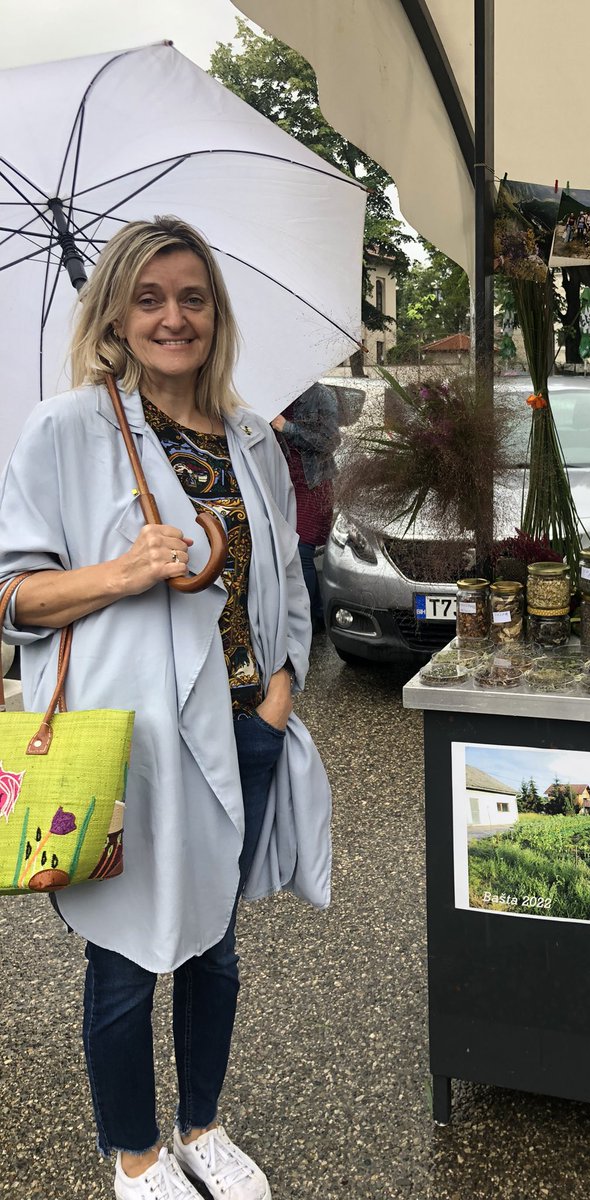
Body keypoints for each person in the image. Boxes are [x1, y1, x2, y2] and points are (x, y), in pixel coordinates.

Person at [0, 216, 331, 1200]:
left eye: (192, 297)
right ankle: (134, 1152)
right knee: (127, 954)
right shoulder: (66, 432)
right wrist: (115, 572)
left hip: (244, 727)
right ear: (115, 314)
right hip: (133, 741)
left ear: (215, 315)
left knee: (214, 951)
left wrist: (279, 694)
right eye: (148, 298)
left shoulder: (251, 439)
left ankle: (201, 1127)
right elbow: (14, 596)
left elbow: (291, 580)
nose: (172, 317)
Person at [271, 383, 341, 631]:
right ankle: (319, 614)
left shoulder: (320, 395)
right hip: (279, 484)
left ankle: (306, 624)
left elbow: (331, 440)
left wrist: (285, 427)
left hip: (311, 485)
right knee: (285, 553)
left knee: (301, 553)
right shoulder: (270, 395)